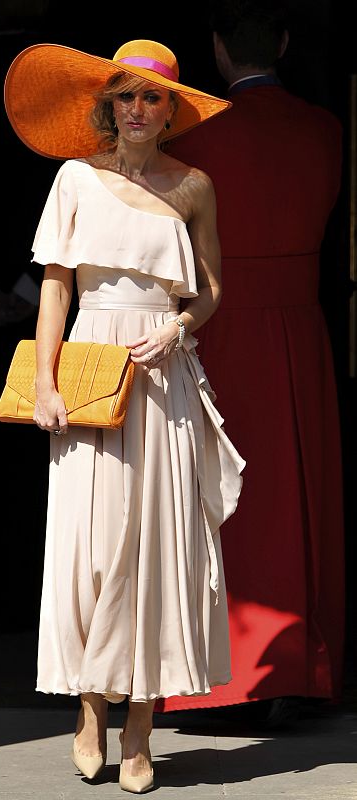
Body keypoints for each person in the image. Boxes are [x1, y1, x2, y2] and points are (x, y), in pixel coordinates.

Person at [3, 38, 245, 792]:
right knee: (93, 543)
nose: (139, 109)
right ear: (107, 106)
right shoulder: (74, 179)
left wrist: (179, 325)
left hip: (162, 373)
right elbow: (55, 288)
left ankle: (140, 724)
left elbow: (209, 289)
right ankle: (88, 707)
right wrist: (45, 382)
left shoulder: (194, 185)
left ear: (172, 110)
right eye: (126, 95)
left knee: (155, 545)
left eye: (154, 97)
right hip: (89, 370)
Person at [161, 0, 345, 724]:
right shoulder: (323, 128)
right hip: (300, 329)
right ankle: (299, 665)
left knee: (222, 498)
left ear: (217, 49)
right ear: (286, 43)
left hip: (220, 325)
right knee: (295, 492)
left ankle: (224, 674)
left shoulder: (200, 133)